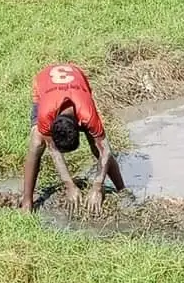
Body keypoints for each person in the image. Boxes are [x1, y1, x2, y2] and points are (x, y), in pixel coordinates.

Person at [21, 61, 125, 218]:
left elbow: (106, 150)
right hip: (45, 84)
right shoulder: (45, 116)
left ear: (79, 126)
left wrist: (97, 186)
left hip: (77, 82)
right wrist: (69, 185)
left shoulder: (87, 114)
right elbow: (53, 149)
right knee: (36, 143)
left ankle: (122, 190)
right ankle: (26, 203)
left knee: (97, 146)